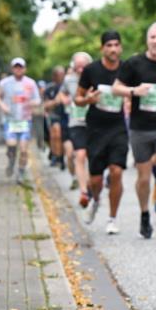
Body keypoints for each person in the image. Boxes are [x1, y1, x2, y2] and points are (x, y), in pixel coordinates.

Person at [113, 22, 156, 243]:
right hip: (140, 129)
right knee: (143, 178)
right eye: (152, 37)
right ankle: (144, 214)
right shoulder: (134, 63)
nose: (155, 41)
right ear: (147, 40)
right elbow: (116, 88)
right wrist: (134, 91)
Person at [76, 31, 127, 235]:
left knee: (116, 171)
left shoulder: (127, 69)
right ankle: (95, 200)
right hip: (96, 128)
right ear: (102, 49)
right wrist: (88, 99)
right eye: (108, 45)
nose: (113, 49)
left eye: (116, 44)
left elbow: (135, 91)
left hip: (118, 128)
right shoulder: (91, 70)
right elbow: (77, 98)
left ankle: (112, 218)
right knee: (95, 180)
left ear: (120, 47)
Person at [0, 57, 41, 184]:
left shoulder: (31, 83)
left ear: (24, 69)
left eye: (20, 67)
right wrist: (3, 106)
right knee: (11, 145)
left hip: (25, 120)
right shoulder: (5, 83)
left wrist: (30, 103)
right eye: (16, 67)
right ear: (12, 68)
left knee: (24, 149)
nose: (18, 69)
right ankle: (11, 161)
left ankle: (20, 172)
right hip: (10, 120)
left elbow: (37, 100)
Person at [63, 52, 93, 202]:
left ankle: (89, 184)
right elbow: (61, 94)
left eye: (84, 67)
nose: (81, 70)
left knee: (92, 157)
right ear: (73, 67)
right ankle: (84, 192)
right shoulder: (68, 80)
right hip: (76, 122)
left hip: (93, 122)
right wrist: (66, 100)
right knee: (80, 155)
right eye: (78, 67)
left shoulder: (95, 77)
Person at [42, 66, 67, 169]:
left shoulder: (67, 86)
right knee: (55, 134)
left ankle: (60, 156)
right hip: (54, 115)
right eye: (58, 75)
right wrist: (55, 102)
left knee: (62, 137)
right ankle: (56, 156)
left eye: (62, 74)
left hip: (66, 115)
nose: (60, 77)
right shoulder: (49, 88)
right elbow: (45, 105)